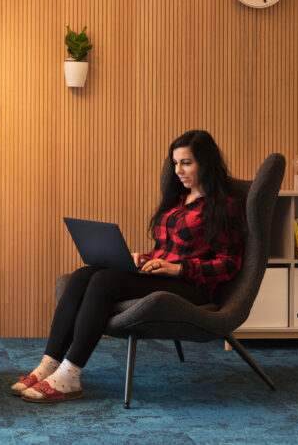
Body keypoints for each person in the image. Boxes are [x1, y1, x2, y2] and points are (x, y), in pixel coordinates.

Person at [15, 130, 245, 403]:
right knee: (83, 275)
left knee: (104, 282)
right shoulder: (179, 202)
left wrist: (179, 269)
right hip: (162, 275)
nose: (178, 170)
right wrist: (143, 258)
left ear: (205, 163)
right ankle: (49, 365)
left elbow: (229, 264)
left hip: (191, 287)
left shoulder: (224, 206)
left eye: (186, 163)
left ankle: (70, 375)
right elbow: (165, 249)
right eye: (175, 163)